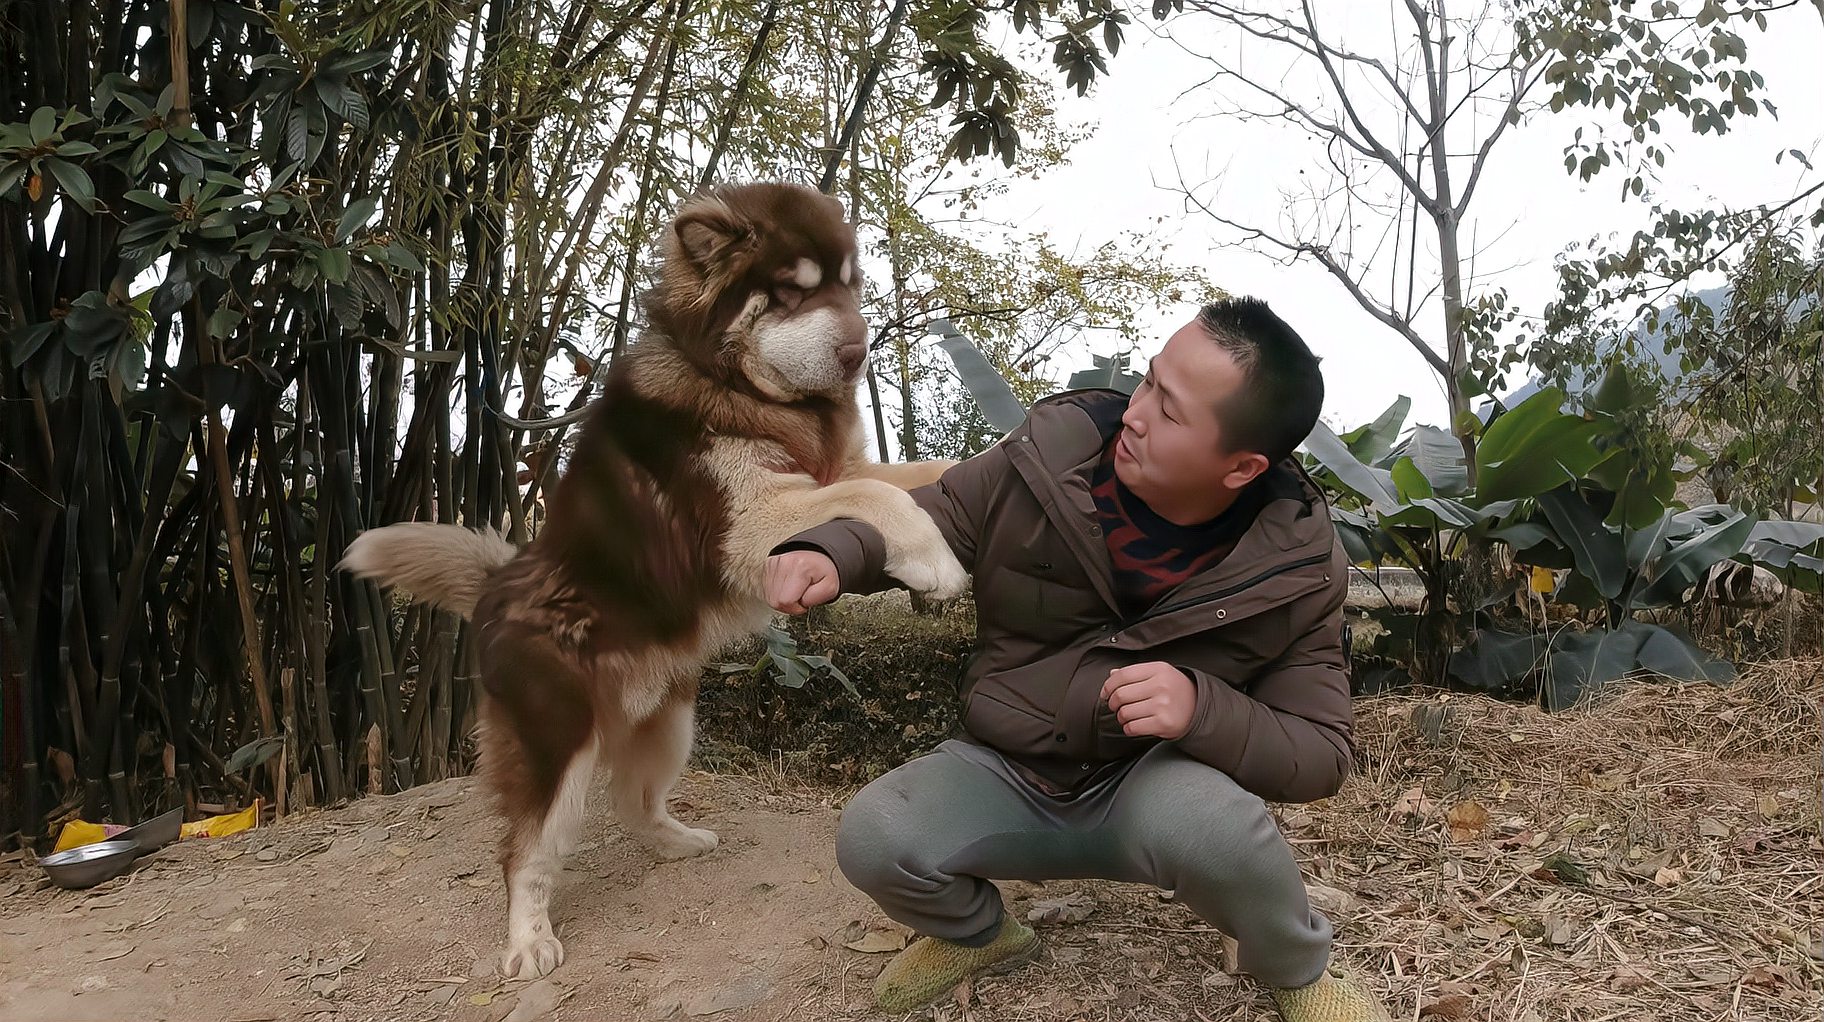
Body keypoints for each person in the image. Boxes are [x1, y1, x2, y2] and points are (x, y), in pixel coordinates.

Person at [763, 298, 1392, 1021]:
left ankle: (1299, 975)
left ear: (1242, 466)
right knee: (875, 837)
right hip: (1009, 768)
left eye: (1174, 412)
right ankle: (981, 936)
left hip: (1151, 788)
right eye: (1149, 383)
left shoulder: (1296, 564)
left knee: (1223, 832)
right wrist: (834, 550)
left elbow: (1319, 752)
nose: (1137, 414)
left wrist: (1200, 707)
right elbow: (935, 516)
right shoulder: (1048, 453)